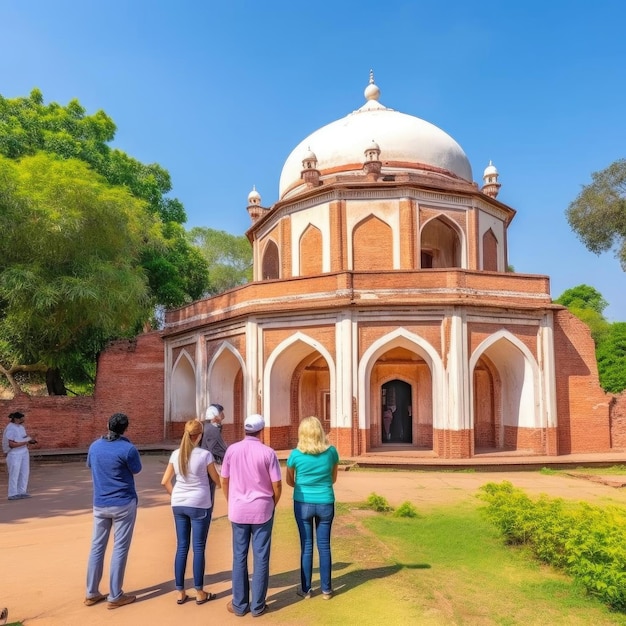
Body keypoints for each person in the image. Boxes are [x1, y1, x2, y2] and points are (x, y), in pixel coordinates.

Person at [221, 414, 282, 617]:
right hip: (262, 508)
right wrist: (272, 503)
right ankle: (257, 605)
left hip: (238, 508)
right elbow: (277, 484)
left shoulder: (232, 450)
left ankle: (239, 604)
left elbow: (224, 480)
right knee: (261, 556)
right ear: (261, 430)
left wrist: (232, 501)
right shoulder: (268, 452)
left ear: (244, 429)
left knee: (239, 556)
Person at [161, 419, 221, 605]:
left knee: (181, 547)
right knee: (199, 547)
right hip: (199, 504)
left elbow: (165, 481)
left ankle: (180, 591)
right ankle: (199, 591)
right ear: (199, 435)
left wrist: (175, 496)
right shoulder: (204, 455)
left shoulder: (176, 454)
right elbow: (217, 480)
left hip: (179, 503)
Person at [85, 413, 142, 609]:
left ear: (107, 425)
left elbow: (90, 465)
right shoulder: (128, 448)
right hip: (123, 503)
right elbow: (136, 470)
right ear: (126, 429)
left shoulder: (94, 446)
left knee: (97, 547)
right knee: (119, 548)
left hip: (100, 503)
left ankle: (91, 592)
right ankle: (115, 595)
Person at [286, 416, 339, 600]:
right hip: (325, 500)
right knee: (324, 546)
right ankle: (326, 589)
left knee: (306, 546)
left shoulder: (295, 454)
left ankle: (306, 589)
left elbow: (289, 480)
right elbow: (333, 478)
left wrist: (303, 487)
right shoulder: (331, 452)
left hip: (303, 502)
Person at [3, 410, 37, 500]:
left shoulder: (21, 427)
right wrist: (25, 442)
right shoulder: (10, 428)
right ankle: (12, 493)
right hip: (14, 453)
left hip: (24, 452)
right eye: (22, 418)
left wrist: (30, 440)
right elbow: (12, 444)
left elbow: (24, 437)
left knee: (24, 472)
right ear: (16, 419)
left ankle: (22, 491)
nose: (23, 419)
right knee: (14, 473)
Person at [200, 403, 229, 503]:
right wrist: (228, 456)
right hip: (210, 463)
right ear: (214, 415)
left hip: (206, 462)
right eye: (221, 413)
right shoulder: (212, 429)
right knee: (209, 490)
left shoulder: (207, 426)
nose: (223, 416)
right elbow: (216, 448)